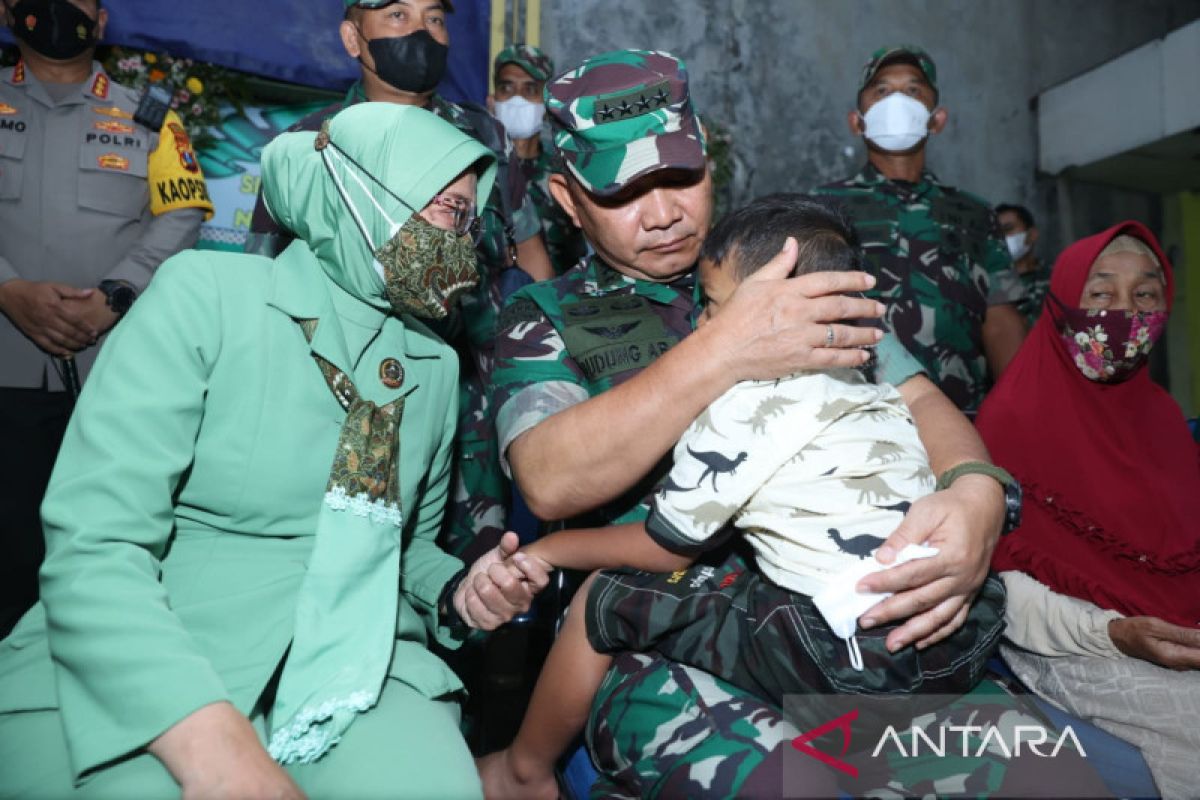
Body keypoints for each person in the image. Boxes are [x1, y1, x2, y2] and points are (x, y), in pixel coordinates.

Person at [491, 49, 1021, 798]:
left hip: (852, 617)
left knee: (1050, 776)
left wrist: (975, 494)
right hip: (650, 634)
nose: (665, 212)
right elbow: (548, 479)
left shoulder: (784, 267)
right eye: (624, 192)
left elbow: (921, 401)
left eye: (679, 176)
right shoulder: (545, 318)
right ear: (567, 200)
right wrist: (722, 347)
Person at [0, 103, 549, 799]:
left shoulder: (434, 365)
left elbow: (402, 547)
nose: (464, 241)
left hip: (358, 663)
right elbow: (94, 542)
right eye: (448, 212)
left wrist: (459, 591)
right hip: (159, 640)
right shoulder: (207, 297)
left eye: (469, 220)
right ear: (366, 199)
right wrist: (212, 746)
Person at [245, 0, 557, 561]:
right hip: (349, 405)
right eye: (396, 15)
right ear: (351, 38)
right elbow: (264, 281)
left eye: (434, 18)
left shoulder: (483, 136)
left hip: (474, 406)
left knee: (483, 578)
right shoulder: (311, 145)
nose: (420, 31)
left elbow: (529, 254)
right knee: (347, 557)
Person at [0, 0, 212, 637]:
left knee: (99, 563)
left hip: (108, 380)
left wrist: (114, 295)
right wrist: (7, 290)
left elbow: (182, 213)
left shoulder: (152, 117)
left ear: (104, 18)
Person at [977, 220, 1200, 799]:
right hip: (1073, 642)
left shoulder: (1164, 420)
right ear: (1058, 307)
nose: (1124, 314)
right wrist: (1114, 633)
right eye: (1100, 295)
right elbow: (999, 591)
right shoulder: (1012, 422)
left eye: (1145, 295)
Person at [812, 45, 1026, 416]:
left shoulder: (974, 213)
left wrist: (1018, 413)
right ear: (857, 121)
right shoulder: (821, 207)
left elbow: (1000, 320)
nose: (896, 99)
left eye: (913, 90)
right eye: (880, 90)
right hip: (857, 415)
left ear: (936, 119)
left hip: (965, 414)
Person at [491, 43, 586, 276]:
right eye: (507, 88)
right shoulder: (477, 170)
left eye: (530, 89)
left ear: (546, 105)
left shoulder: (567, 170)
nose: (517, 99)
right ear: (492, 101)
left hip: (559, 300)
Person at [996, 202, 1050, 325]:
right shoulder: (987, 286)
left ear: (1032, 235)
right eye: (996, 233)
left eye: (1008, 229)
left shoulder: (1058, 278)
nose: (1002, 238)